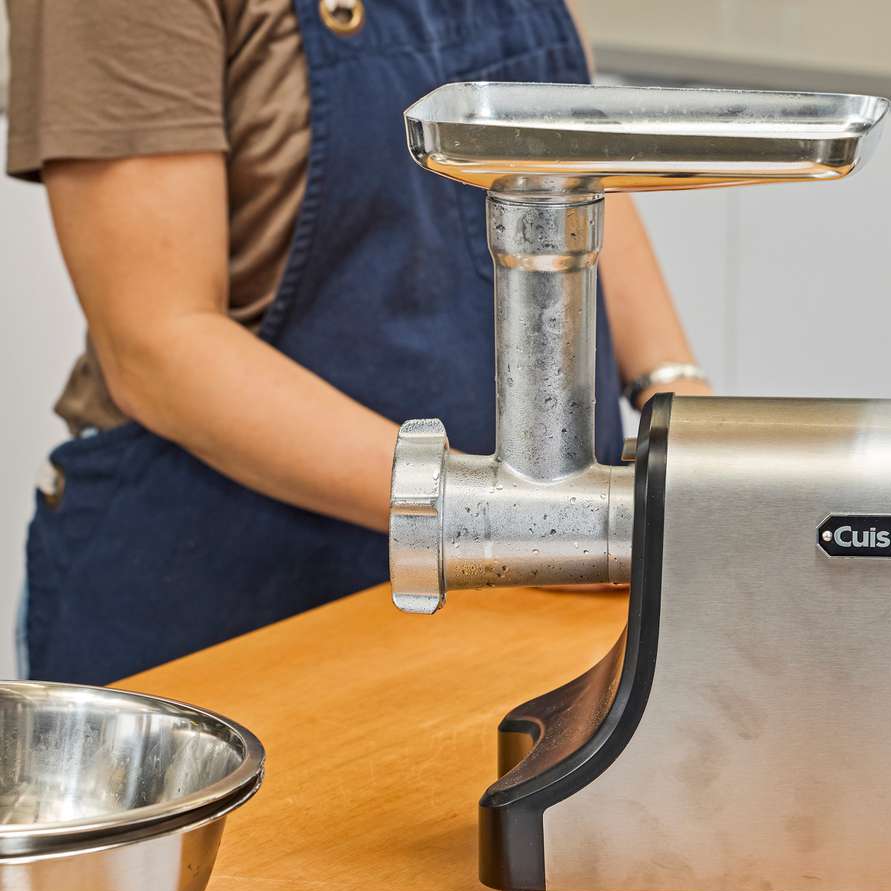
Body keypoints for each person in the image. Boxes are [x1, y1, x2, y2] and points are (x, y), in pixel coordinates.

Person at [6, 0, 709, 685]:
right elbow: (159, 345)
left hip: (529, 588)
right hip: (237, 601)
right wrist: (504, 520)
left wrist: (681, 406)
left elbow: (568, 167)